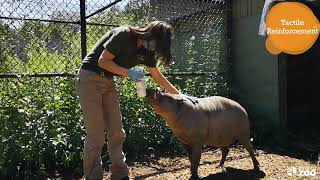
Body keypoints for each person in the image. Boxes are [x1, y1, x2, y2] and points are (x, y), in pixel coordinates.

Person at [75, 21, 196, 180]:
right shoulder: (124, 34)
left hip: (108, 81)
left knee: (117, 132)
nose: (154, 49)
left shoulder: (148, 50)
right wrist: (130, 74)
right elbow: (103, 61)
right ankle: (93, 176)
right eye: (156, 44)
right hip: (89, 77)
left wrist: (180, 95)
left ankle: (120, 174)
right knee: (95, 133)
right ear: (149, 34)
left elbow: (156, 75)